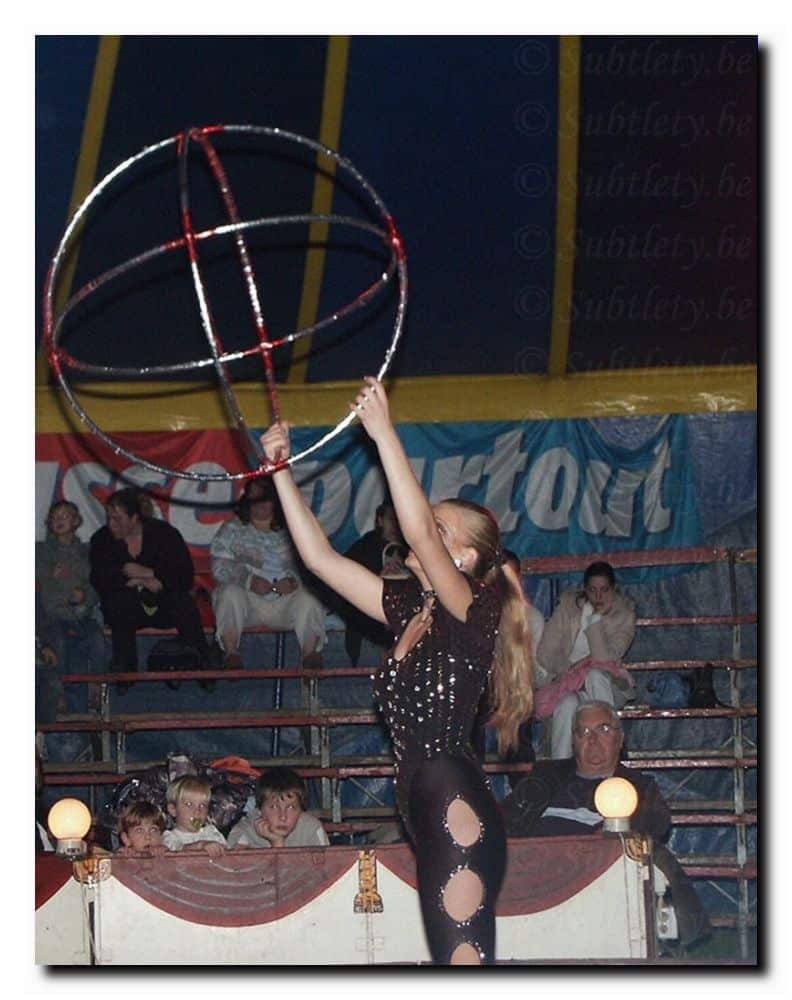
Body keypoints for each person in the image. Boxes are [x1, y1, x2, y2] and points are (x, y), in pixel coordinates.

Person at [260, 376, 533, 965]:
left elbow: (415, 530)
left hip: (452, 798)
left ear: (463, 558)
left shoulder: (473, 609)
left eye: (439, 528)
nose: (421, 527)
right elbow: (320, 560)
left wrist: (383, 433)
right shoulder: (413, 606)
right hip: (425, 803)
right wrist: (280, 471)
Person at [502, 701, 709, 949]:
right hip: (533, 870)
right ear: (574, 741)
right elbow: (506, 818)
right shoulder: (545, 776)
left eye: (603, 729)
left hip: (598, 874)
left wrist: (607, 842)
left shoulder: (636, 786)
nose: (593, 739)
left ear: (620, 739)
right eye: (584, 732)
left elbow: (656, 821)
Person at [89, 488, 212, 688]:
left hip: (163, 604)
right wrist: (139, 580)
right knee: (119, 603)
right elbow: (100, 579)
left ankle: (203, 663)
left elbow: (183, 576)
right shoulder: (102, 539)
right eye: (109, 518)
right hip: (128, 609)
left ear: (135, 518)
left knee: (183, 603)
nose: (112, 524)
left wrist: (149, 574)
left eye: (117, 519)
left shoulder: (165, 534)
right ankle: (125, 668)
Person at [210, 476, 327, 670]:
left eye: (265, 498)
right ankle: (231, 653)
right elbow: (219, 566)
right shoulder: (231, 529)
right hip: (248, 603)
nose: (261, 504)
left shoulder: (293, 531)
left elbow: (311, 564)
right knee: (229, 593)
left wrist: (293, 581)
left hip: (286, 603)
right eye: (255, 499)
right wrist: (248, 581)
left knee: (310, 597)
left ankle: (310, 655)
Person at [536, 561, 636, 759]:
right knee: (566, 704)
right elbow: (545, 652)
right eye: (592, 590)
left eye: (604, 590)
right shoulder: (567, 608)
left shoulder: (624, 614)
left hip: (607, 684)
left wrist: (595, 619)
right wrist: (570, 671)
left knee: (594, 675)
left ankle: (610, 745)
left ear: (613, 589)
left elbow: (605, 659)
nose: (598, 596)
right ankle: (560, 765)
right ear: (584, 589)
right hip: (567, 682)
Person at [36, 500, 105, 711]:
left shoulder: (86, 552)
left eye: (65, 516)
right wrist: (61, 586)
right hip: (53, 614)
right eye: (55, 517)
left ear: (76, 521)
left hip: (81, 614)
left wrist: (84, 596)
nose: (59, 520)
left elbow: (95, 585)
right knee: (58, 643)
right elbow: (43, 586)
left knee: (98, 640)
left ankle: (97, 687)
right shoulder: (42, 552)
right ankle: (59, 694)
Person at [336, 500, 407, 666]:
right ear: (380, 521)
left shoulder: (411, 548)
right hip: (372, 611)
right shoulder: (365, 547)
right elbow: (346, 580)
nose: (395, 525)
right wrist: (377, 576)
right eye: (391, 519)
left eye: (399, 520)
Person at [227, 768, 329, 849]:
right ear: (259, 809)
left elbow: (327, 867)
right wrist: (277, 843)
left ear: (301, 810)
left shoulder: (312, 829)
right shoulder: (244, 832)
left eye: (291, 807)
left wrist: (277, 843)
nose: (283, 817)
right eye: (274, 807)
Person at [162, 776, 227, 857]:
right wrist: (200, 846)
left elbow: (229, 855)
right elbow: (177, 852)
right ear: (173, 809)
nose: (197, 811)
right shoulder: (169, 837)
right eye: (189, 804)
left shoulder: (211, 832)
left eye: (202, 805)